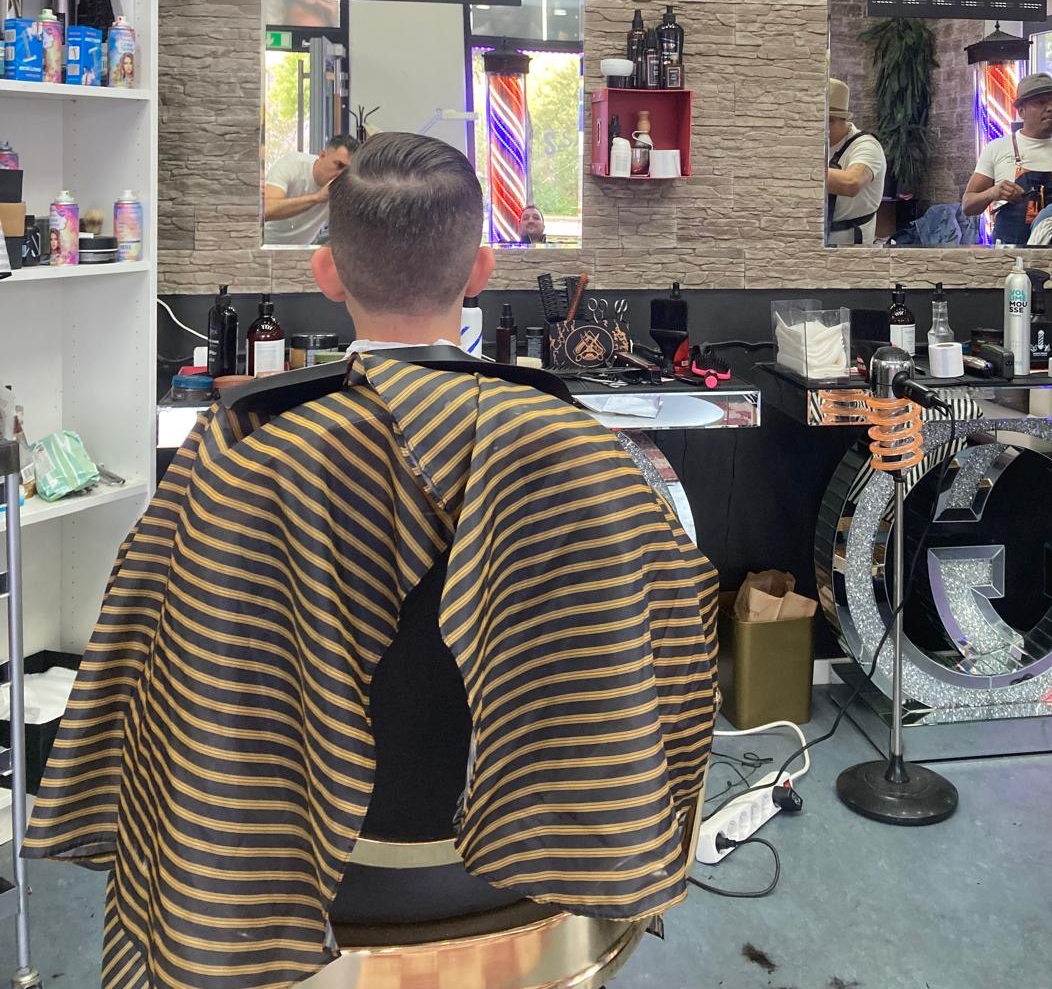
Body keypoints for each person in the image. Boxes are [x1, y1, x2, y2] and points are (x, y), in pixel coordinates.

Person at [26, 132, 718, 989]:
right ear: (480, 273)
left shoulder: (246, 457)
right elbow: (677, 660)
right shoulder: (579, 451)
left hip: (283, 873)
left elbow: (149, 671)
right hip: (535, 865)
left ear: (326, 273)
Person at [961, 72, 1052, 246]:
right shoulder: (997, 149)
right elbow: (967, 206)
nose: (1051, 108)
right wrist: (992, 193)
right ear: (1021, 111)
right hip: (1010, 253)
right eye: (1041, 102)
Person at [263, 133, 358, 244]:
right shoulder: (292, 165)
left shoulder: (347, 185)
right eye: (339, 165)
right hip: (264, 245)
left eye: (347, 171)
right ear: (322, 156)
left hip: (303, 249)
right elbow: (266, 210)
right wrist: (317, 198)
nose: (341, 175)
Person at [826, 78, 887, 246]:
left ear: (832, 119)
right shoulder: (817, 144)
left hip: (850, 249)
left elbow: (851, 183)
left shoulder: (867, 146)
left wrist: (797, 171)